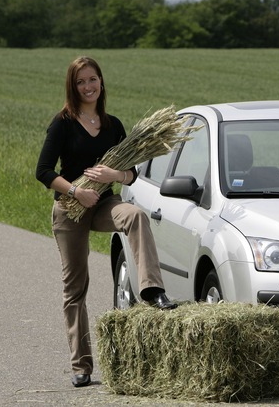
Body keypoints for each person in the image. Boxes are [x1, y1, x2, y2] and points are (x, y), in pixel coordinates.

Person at [35, 56, 177, 388]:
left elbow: (132, 175)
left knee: (135, 215)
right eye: (81, 81)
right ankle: (81, 365)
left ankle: (152, 289)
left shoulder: (112, 125)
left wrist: (114, 174)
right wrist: (75, 190)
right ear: (73, 86)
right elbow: (43, 171)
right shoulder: (63, 123)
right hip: (69, 209)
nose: (88, 86)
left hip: (103, 203)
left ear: (101, 82)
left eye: (92, 79)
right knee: (75, 288)